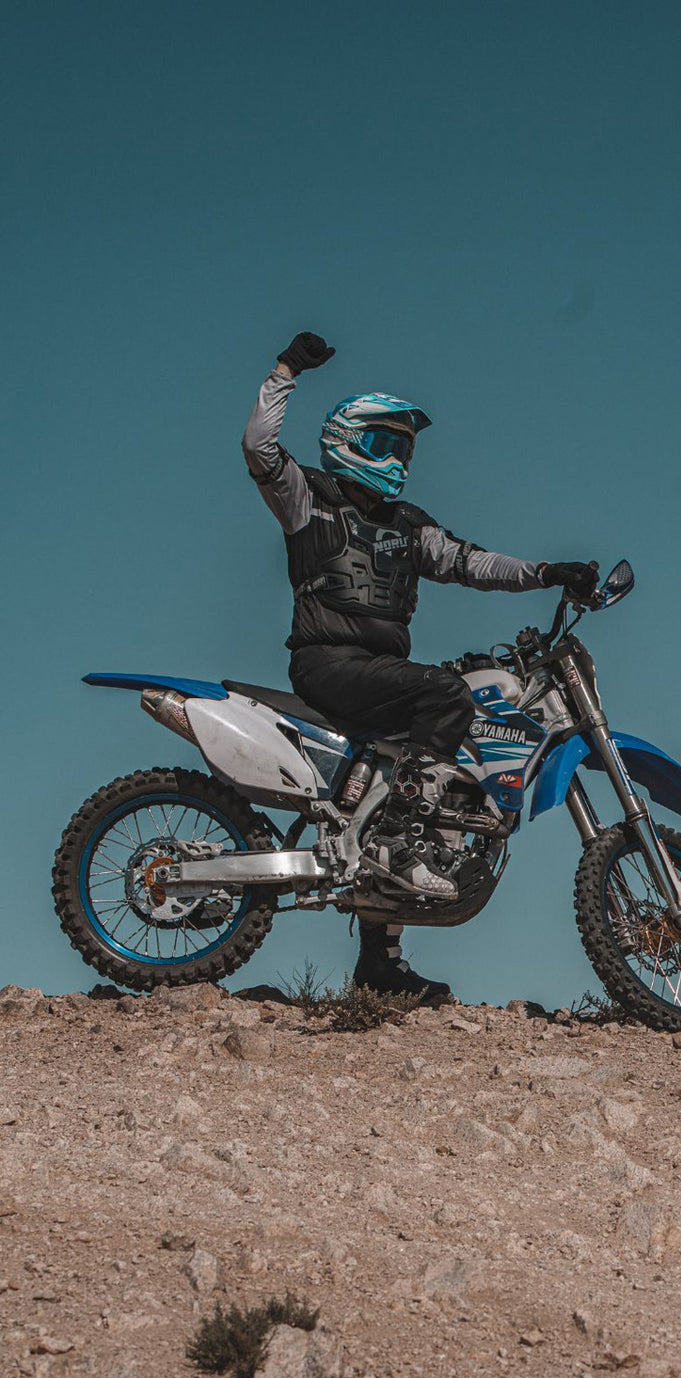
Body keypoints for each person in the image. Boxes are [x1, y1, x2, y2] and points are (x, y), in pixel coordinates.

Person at [242, 330, 597, 1000]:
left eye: (403, 446)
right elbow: (259, 449)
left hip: (379, 678)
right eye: (385, 443)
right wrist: (286, 370)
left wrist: (548, 570)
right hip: (328, 664)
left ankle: (379, 962)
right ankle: (401, 841)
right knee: (444, 698)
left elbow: (473, 563)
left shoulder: (409, 524)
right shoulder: (307, 498)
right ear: (349, 442)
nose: (397, 457)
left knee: (417, 770)